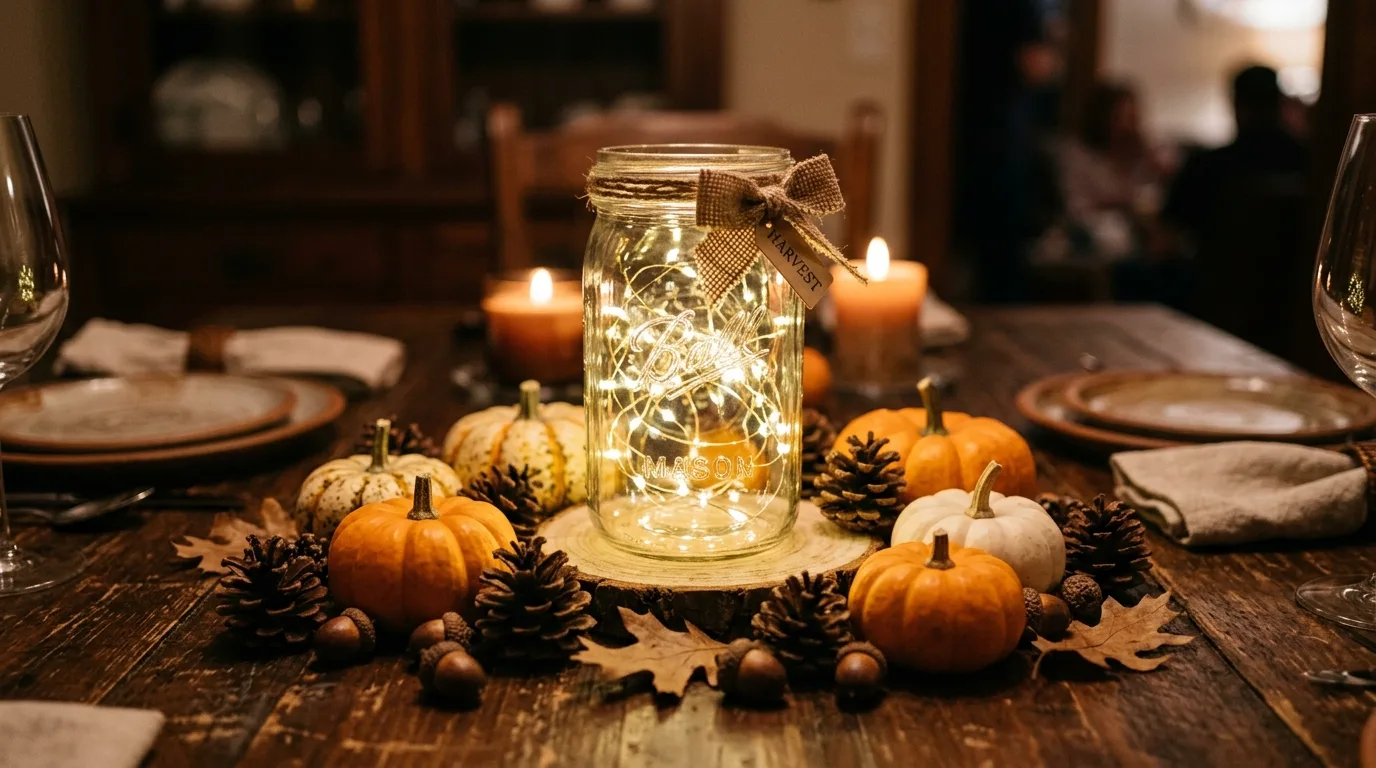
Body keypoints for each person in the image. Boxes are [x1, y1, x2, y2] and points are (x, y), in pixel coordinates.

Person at [1163, 65, 1306, 247]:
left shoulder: (1207, 166)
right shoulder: (1311, 163)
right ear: (1280, 105)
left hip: (1214, 273)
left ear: (1237, 105)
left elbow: (1167, 232)